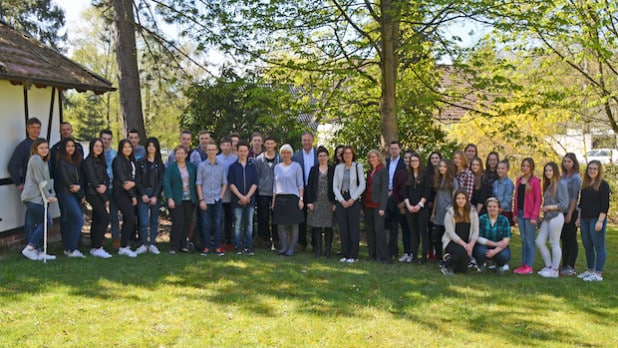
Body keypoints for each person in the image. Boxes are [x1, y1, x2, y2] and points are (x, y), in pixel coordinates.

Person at [20, 139, 57, 261]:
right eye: (41, 148)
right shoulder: (35, 159)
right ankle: (30, 248)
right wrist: (48, 196)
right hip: (33, 197)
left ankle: (38, 251)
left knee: (36, 224)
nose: (45, 150)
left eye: (46, 147)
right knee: (48, 222)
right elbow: (40, 181)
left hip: (35, 198)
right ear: (35, 149)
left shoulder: (43, 161)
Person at [8, 117, 43, 242]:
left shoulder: (42, 145)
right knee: (31, 218)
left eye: (38, 127)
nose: (35, 130)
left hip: (43, 187)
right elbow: (12, 165)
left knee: (40, 217)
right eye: (33, 127)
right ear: (28, 129)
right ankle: (31, 244)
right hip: (30, 188)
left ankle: (36, 245)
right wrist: (18, 183)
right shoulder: (23, 146)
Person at [576, 160, 610, 282]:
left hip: (596, 219)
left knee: (599, 246)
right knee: (587, 246)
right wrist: (578, 219)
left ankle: (598, 273)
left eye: (595, 169)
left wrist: (600, 221)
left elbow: (605, 206)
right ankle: (590, 270)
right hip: (584, 219)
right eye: (590, 168)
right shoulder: (585, 184)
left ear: (599, 170)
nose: (592, 170)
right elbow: (581, 204)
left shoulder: (603, 185)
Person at [535, 162, 569, 278]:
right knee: (539, 241)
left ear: (555, 171)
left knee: (554, 242)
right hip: (547, 217)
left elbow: (564, 204)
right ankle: (549, 266)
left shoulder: (561, 184)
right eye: (546, 171)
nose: (548, 173)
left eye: (550, 170)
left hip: (556, 216)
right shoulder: (548, 185)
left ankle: (554, 270)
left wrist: (549, 207)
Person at [333, 146, 365, 263]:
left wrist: (352, 199)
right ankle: (345, 254)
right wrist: (341, 200)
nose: (347, 155)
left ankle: (354, 255)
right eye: (345, 153)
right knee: (343, 228)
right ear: (342, 156)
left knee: (353, 228)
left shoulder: (358, 166)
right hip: (341, 199)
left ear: (353, 155)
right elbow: (335, 186)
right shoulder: (338, 168)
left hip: (353, 199)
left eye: (349, 153)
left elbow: (362, 185)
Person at [164, 145, 198, 254]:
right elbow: (166, 183)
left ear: (186, 155)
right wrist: (169, 198)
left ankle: (183, 245)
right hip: (176, 199)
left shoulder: (192, 167)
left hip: (190, 199)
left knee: (187, 222)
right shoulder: (171, 168)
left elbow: (197, 182)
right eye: (177, 153)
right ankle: (174, 246)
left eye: (182, 153)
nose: (180, 155)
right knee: (178, 222)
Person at [55, 138, 86, 258]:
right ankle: (72, 249)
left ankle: (68, 248)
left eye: (73, 146)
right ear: (63, 148)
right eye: (68, 146)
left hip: (75, 194)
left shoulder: (75, 161)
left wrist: (80, 192)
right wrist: (80, 193)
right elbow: (69, 183)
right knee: (79, 220)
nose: (71, 148)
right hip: (66, 193)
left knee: (72, 221)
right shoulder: (61, 162)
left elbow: (79, 180)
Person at [272, 144, 305, 256]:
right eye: (283, 152)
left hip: (293, 198)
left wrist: (301, 199)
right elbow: (275, 186)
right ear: (281, 154)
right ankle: (284, 246)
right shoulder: (277, 167)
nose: (285, 155)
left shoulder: (296, 166)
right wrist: (273, 201)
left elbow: (300, 184)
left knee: (294, 224)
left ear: (291, 154)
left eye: (288, 152)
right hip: (280, 198)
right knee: (280, 224)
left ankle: (291, 248)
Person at [135, 137, 165, 255]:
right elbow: (137, 180)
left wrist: (155, 196)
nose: (151, 148)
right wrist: (142, 194)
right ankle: (143, 244)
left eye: (153, 145)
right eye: (149, 145)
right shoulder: (140, 162)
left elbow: (160, 182)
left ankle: (152, 244)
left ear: (156, 148)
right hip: (143, 195)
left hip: (154, 195)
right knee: (143, 221)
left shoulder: (159, 164)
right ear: (146, 147)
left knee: (154, 220)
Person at [82, 138, 112, 258]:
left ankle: (94, 247)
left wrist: (105, 185)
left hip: (101, 192)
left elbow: (106, 178)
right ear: (91, 147)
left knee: (97, 219)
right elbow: (92, 179)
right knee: (105, 218)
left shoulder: (100, 161)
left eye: (100, 146)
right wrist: (104, 198)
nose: (99, 148)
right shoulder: (88, 161)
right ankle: (97, 246)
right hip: (92, 193)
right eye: (96, 146)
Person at [196, 142, 227, 256]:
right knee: (205, 223)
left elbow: (224, 183)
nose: (211, 152)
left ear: (217, 151)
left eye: (213, 149)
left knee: (217, 223)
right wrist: (201, 200)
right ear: (206, 151)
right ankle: (206, 247)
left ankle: (218, 247)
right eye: (209, 150)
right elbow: (198, 184)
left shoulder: (222, 166)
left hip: (217, 199)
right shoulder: (202, 166)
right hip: (205, 199)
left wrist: (221, 196)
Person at [228, 141, 259, 254]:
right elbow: (231, 183)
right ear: (237, 151)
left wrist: (247, 197)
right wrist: (241, 196)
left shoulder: (252, 166)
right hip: (237, 200)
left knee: (249, 224)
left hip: (250, 200)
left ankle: (248, 246)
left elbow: (255, 183)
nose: (243, 153)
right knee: (237, 224)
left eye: (245, 151)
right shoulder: (233, 167)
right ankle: (237, 246)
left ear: (248, 152)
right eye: (240, 151)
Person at [512, 157, 542, 275]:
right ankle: (523, 264)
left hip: (530, 215)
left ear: (532, 168)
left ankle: (529, 265)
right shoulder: (519, 180)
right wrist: (515, 213)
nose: (525, 168)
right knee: (523, 241)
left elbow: (538, 200)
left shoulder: (535, 181)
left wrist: (535, 216)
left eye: (527, 166)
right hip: (520, 213)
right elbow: (516, 198)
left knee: (529, 241)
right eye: (523, 165)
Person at [307, 146, 336, 258]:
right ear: (317, 157)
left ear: (328, 157)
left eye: (324, 155)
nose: (322, 158)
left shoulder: (333, 169)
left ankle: (328, 250)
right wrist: (310, 202)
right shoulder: (313, 169)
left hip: (329, 201)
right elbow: (309, 186)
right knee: (317, 226)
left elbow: (336, 186)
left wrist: (335, 203)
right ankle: (318, 249)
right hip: (317, 201)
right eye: (320, 156)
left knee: (329, 226)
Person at [441, 189, 479, 275]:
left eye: (463, 198)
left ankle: (451, 259)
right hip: (452, 242)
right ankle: (446, 265)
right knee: (462, 253)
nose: (460, 201)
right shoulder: (450, 212)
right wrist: (465, 246)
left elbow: (476, 231)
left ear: (467, 199)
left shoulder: (472, 212)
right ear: (455, 200)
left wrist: (471, 245)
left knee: (462, 271)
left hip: (467, 242)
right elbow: (450, 233)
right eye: (458, 198)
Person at [402, 152, 431, 264]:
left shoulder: (425, 175)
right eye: (412, 161)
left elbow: (427, 192)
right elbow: (404, 192)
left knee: (423, 232)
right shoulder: (407, 175)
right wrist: (408, 205)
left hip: (422, 208)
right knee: (413, 232)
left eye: (416, 160)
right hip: (410, 207)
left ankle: (424, 257)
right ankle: (414, 256)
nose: (414, 163)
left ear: (419, 162)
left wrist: (419, 205)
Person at [112, 139, 139, 257]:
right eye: (125, 147)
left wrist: (134, 184)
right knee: (129, 217)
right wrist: (133, 196)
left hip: (129, 192)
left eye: (129, 147)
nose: (127, 149)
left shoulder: (132, 161)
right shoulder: (118, 160)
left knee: (129, 218)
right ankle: (123, 247)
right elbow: (124, 181)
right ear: (120, 149)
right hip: (120, 192)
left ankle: (124, 244)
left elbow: (136, 178)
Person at [292, 132, 317, 251]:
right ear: (301, 141)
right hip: (300, 189)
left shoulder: (319, 154)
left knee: (315, 216)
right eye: (304, 140)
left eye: (309, 140)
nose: (307, 142)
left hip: (314, 190)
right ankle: (301, 242)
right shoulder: (296, 156)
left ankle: (315, 243)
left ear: (313, 141)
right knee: (301, 216)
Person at [473, 197, 511, 275]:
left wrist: (494, 251)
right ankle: (481, 264)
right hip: (484, 245)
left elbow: (506, 241)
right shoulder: (481, 219)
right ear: (487, 208)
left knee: (504, 255)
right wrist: (495, 244)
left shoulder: (504, 220)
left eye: (494, 207)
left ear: (499, 208)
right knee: (480, 251)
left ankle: (499, 265)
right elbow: (478, 238)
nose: (492, 208)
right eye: (489, 206)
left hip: (500, 246)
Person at [255, 136, 280, 249]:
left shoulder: (279, 159)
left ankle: (277, 240)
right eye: (267, 143)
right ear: (264, 145)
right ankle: (265, 239)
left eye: (272, 143)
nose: (269, 146)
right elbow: (257, 176)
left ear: (275, 144)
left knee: (276, 217)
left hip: (277, 192)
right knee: (264, 217)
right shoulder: (259, 159)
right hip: (263, 192)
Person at [431, 159, 458, 262]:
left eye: (444, 166)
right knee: (435, 236)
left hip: (448, 212)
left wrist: (452, 210)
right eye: (440, 166)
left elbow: (455, 197)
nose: (442, 168)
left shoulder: (453, 181)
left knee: (447, 236)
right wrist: (433, 212)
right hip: (438, 212)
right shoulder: (438, 179)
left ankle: (447, 257)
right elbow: (436, 197)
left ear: (448, 168)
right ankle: (438, 256)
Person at [559, 153, 581, 276]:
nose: (567, 163)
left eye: (569, 161)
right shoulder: (562, 176)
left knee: (571, 238)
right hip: (561, 210)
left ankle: (571, 266)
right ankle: (564, 263)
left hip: (571, 210)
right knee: (564, 238)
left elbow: (574, 197)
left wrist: (570, 213)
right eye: (565, 161)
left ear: (574, 163)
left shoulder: (576, 178)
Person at [385, 140, 407, 259]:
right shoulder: (386, 162)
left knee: (395, 225)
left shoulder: (403, 163)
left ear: (399, 149)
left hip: (397, 197)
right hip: (386, 196)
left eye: (395, 148)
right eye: (391, 148)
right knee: (386, 223)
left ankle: (393, 250)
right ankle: (388, 248)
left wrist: (393, 192)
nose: (393, 150)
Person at [216, 137, 238, 250]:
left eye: (228, 145)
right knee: (218, 217)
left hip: (231, 192)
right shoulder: (216, 158)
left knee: (229, 218)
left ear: (231, 146)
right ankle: (218, 240)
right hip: (218, 192)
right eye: (223, 145)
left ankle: (229, 240)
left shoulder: (235, 159)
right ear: (220, 147)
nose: (226, 147)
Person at [100, 129, 120, 249]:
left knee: (114, 215)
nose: (106, 141)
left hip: (113, 188)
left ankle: (116, 239)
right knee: (100, 215)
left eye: (108, 139)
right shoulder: (96, 152)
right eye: (104, 139)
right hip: (100, 189)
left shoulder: (115, 154)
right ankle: (99, 238)